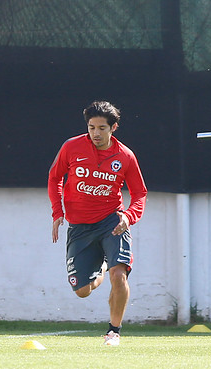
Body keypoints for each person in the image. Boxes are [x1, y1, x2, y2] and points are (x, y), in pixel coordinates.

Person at [48, 100, 147, 346]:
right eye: (91, 127)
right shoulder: (71, 147)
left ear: (113, 128)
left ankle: (114, 331)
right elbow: (54, 178)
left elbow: (139, 194)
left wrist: (128, 216)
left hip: (112, 222)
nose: (95, 133)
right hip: (79, 226)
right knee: (82, 290)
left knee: (119, 275)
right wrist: (57, 211)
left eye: (102, 128)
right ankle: (102, 265)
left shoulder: (125, 156)